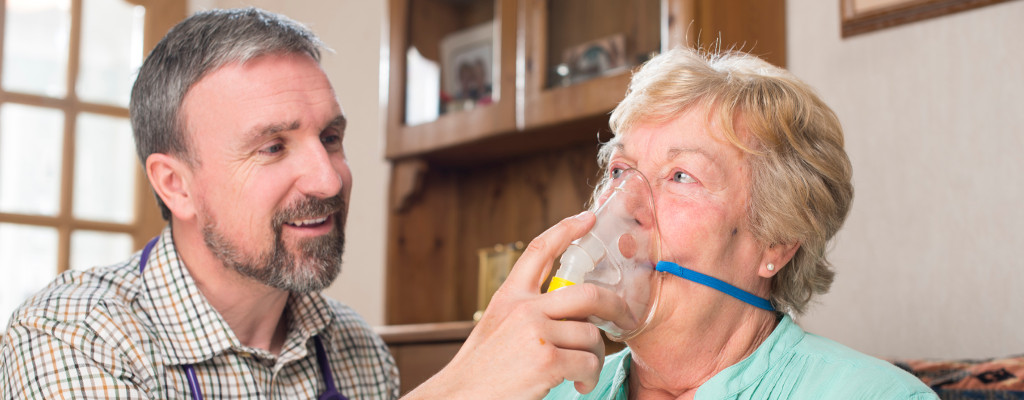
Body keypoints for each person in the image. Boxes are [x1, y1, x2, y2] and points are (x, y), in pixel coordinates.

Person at [0, 7, 634, 399]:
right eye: (273, 147)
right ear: (176, 184)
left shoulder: (355, 351)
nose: (329, 179)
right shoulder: (73, 337)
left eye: (331, 137)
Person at [542, 48, 940, 399]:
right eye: (619, 171)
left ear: (776, 242)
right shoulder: (548, 391)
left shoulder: (876, 397)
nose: (624, 204)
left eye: (681, 176)